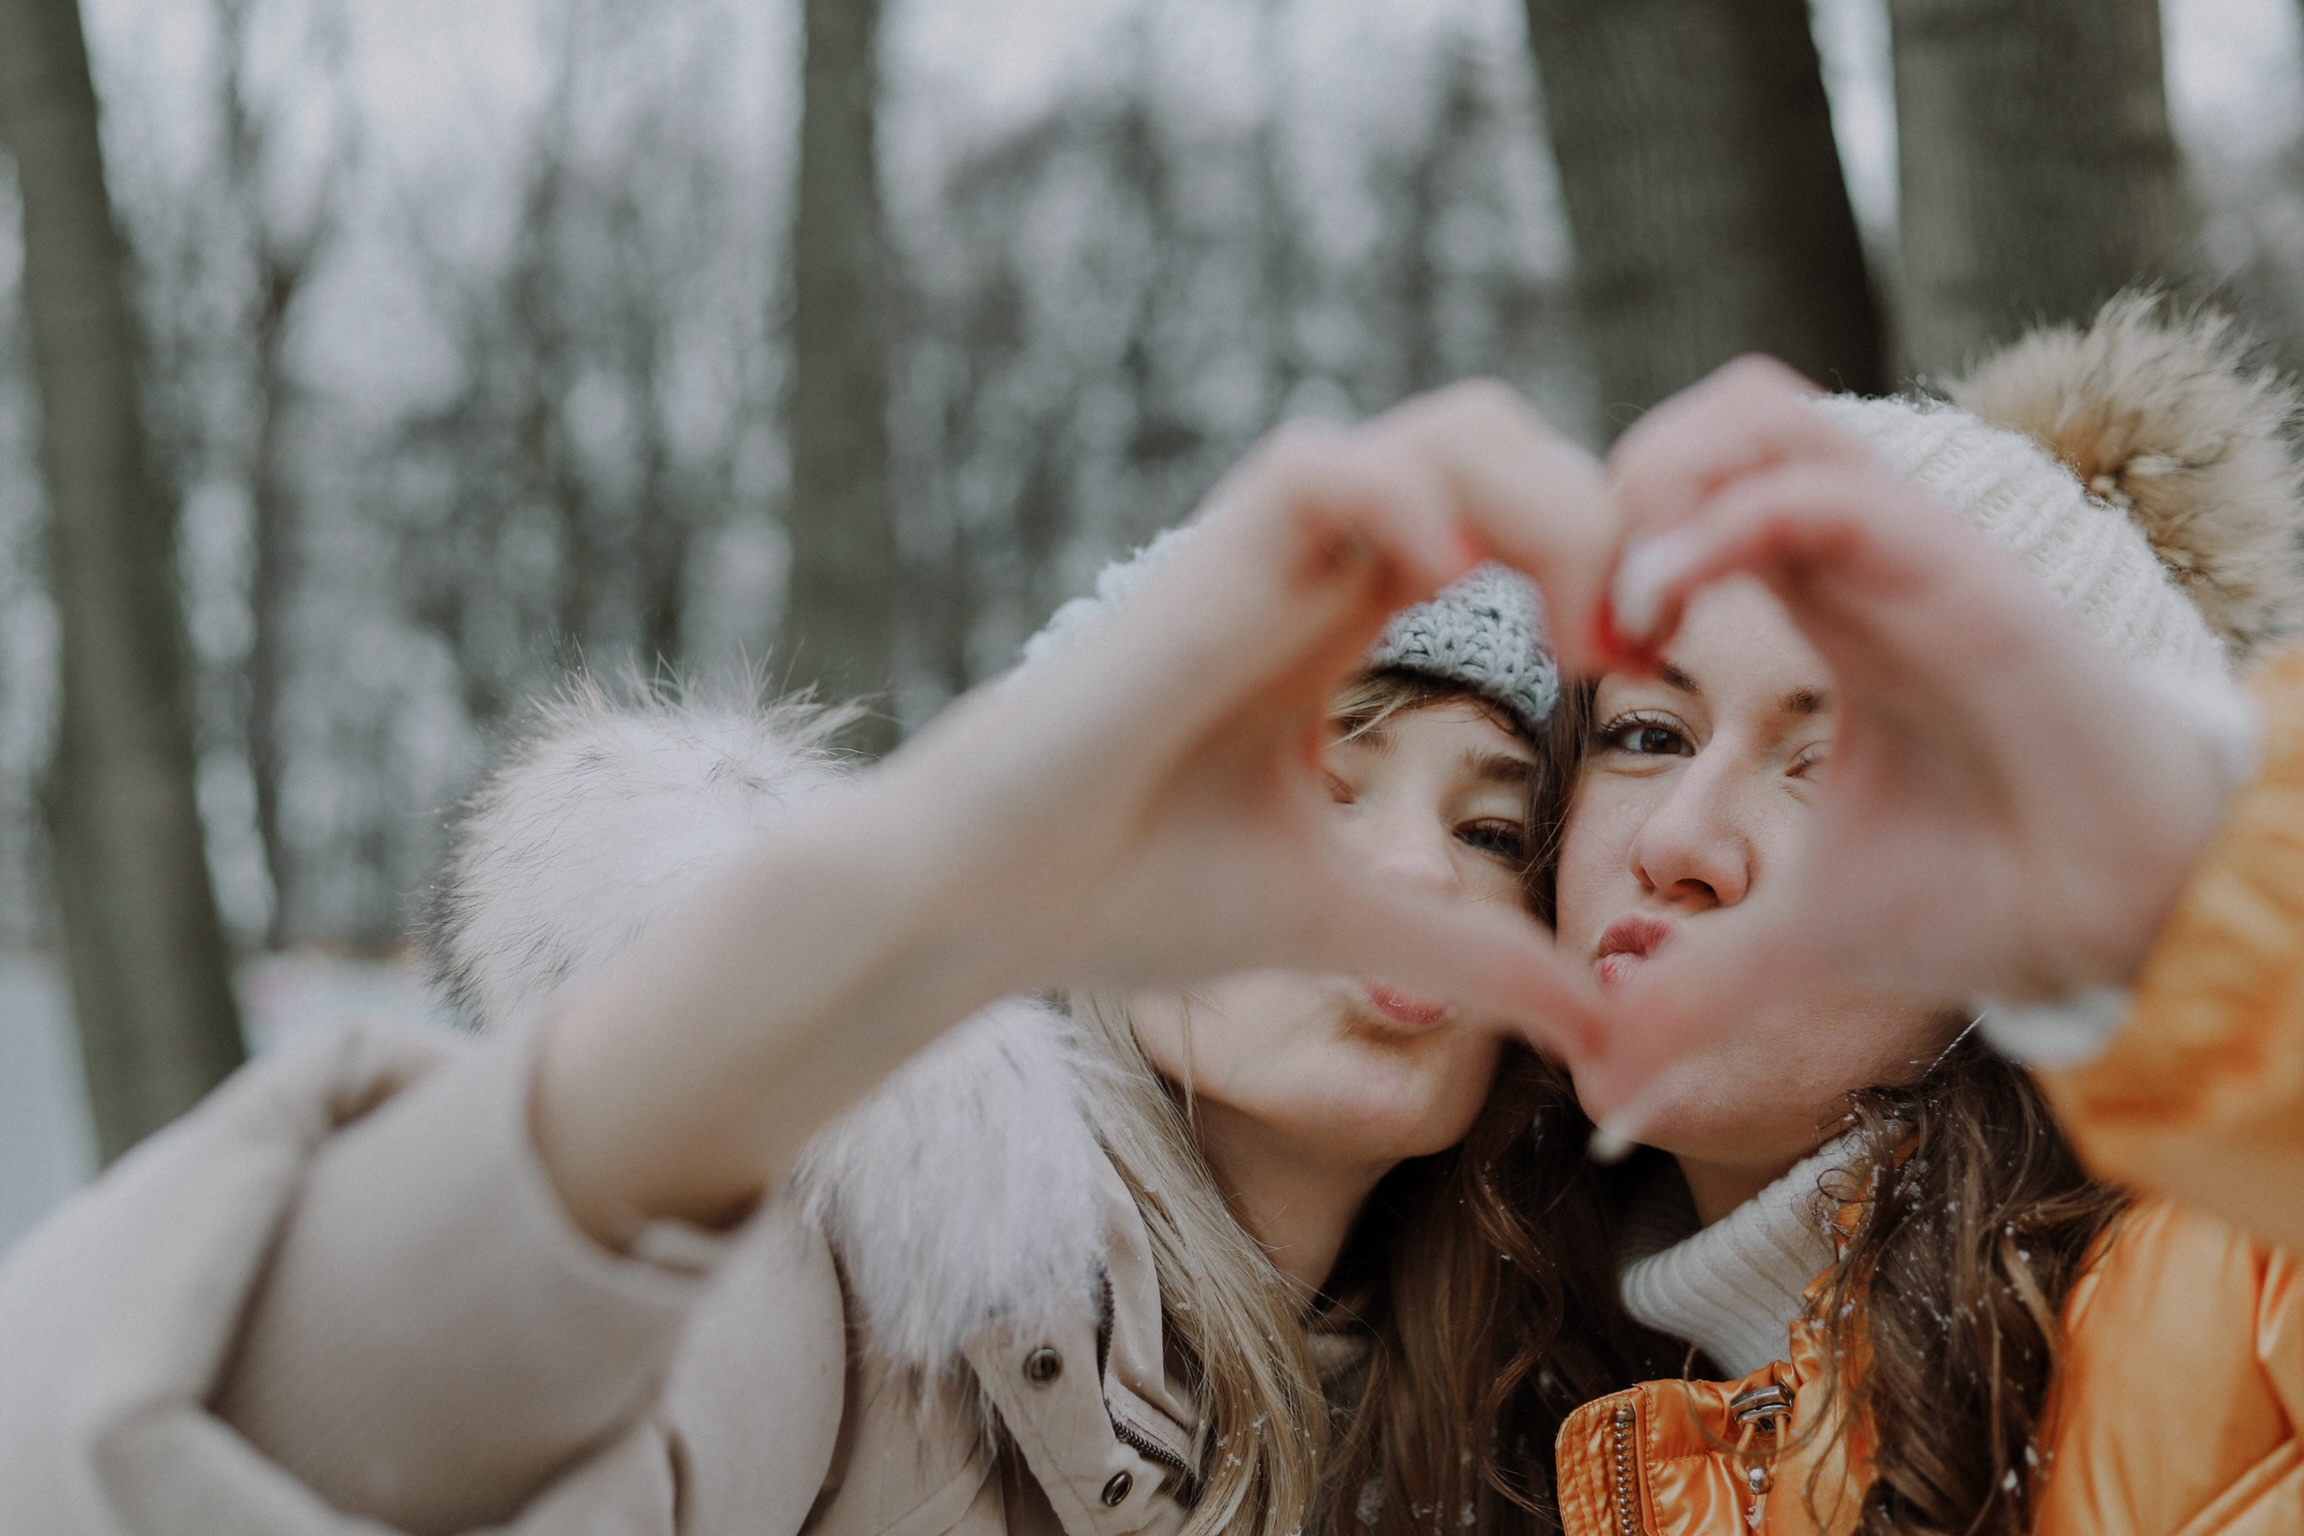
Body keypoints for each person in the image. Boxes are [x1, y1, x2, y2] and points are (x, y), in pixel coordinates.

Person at [0, 392, 1655, 1536]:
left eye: (1492, 832)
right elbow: (184, 1465)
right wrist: (856, 932)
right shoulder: (849, 1270)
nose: (1400, 879)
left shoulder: (1528, 1435)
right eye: (1307, 789)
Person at [1542, 297, 2304, 1536]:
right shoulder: (1495, 1388)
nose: (1679, 841)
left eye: (1830, 765)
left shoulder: (2241, 1283)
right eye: (1645, 732)